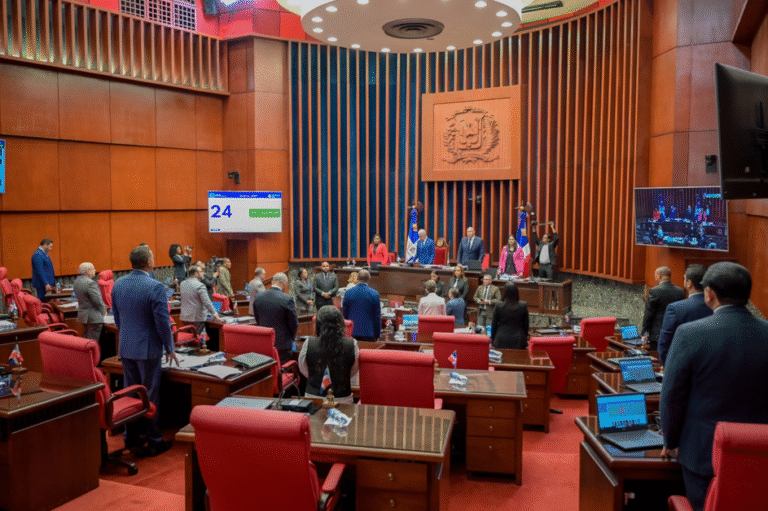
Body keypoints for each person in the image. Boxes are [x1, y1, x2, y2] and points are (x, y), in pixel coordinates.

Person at [660, 262, 768, 511]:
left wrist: (670, 438)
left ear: (709, 293)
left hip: (702, 454)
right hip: (760, 454)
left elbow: (672, 394)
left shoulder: (690, 333)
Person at [111, 245, 177, 457]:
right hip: (148, 349)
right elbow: (162, 322)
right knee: (149, 396)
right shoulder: (155, 286)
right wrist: (170, 347)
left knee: (131, 393)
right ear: (148, 262)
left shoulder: (118, 284)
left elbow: (118, 318)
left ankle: (131, 438)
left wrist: (127, 338)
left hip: (126, 346)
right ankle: (155, 441)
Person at [298, 305, 359, 404]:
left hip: (313, 399)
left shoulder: (308, 342)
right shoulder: (352, 344)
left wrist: (316, 376)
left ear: (317, 324)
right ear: (340, 324)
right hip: (342, 399)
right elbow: (352, 371)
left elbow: (303, 368)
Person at [657, 264, 712, 366]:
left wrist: (670, 370)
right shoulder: (717, 307)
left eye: (684, 279)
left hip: (683, 369)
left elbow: (664, 345)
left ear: (689, 283)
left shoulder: (675, 308)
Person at [252, 272, 298, 365]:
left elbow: (258, 320)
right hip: (282, 345)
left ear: (272, 282)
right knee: (281, 371)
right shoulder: (287, 299)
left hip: (265, 343)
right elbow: (294, 323)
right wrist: (291, 338)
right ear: (284, 283)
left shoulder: (259, 297)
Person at [641, 266, 685, 351]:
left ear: (659, 275)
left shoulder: (654, 291)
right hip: (674, 333)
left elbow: (649, 314)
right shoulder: (680, 292)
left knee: (656, 359)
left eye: (655, 275)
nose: (655, 278)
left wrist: (644, 334)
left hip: (657, 334)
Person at [342, 269, 381, 342]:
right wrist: (377, 335)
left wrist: (345, 333)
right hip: (369, 333)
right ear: (369, 279)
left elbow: (345, 314)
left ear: (357, 279)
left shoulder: (348, 293)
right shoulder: (374, 294)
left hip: (352, 332)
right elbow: (377, 317)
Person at [180, 266, 220, 335]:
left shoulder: (182, 283)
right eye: (201, 272)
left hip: (184, 317)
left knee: (189, 339)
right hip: (196, 318)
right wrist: (215, 314)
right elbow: (207, 302)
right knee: (196, 339)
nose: (203, 273)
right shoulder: (200, 285)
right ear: (196, 274)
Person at [73, 262, 107, 341]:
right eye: (93, 269)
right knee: (92, 342)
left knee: (86, 340)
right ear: (88, 271)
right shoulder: (90, 283)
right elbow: (97, 300)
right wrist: (104, 311)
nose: (95, 270)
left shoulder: (77, 281)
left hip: (84, 316)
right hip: (94, 317)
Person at [491, 282, 529, 350]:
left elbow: (494, 324)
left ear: (505, 292)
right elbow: (526, 325)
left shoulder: (498, 305)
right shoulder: (523, 305)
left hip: (501, 338)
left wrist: (493, 339)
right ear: (517, 292)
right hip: (519, 339)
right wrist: (524, 338)